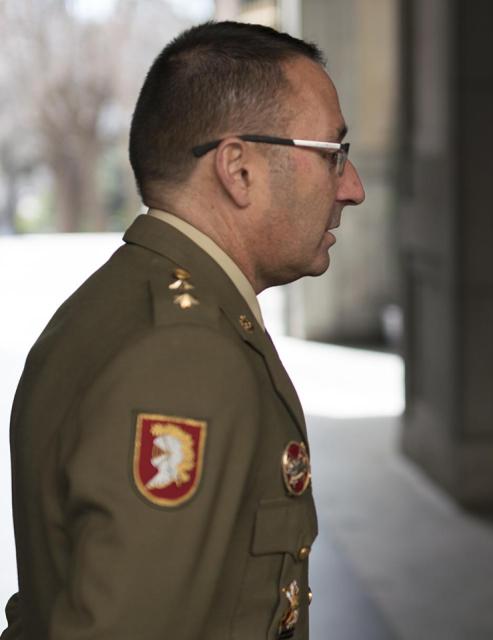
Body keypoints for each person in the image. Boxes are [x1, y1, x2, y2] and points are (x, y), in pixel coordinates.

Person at [2, 20, 364, 640]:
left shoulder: (123, 303)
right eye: (333, 155)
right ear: (238, 169)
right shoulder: (185, 353)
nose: (352, 189)